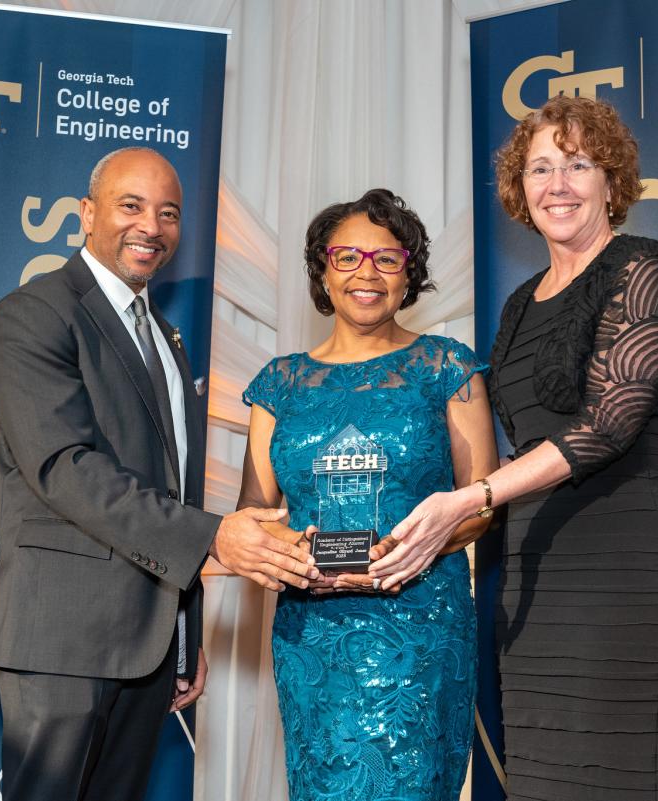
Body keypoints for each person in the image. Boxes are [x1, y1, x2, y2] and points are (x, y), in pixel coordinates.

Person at [371, 96, 658, 800]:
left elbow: (610, 420)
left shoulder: (641, 267)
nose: (558, 183)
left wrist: (476, 493)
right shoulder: (519, 302)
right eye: (540, 167)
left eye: (578, 165)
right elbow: (507, 437)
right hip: (531, 579)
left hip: (623, 574)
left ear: (611, 181)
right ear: (520, 190)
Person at [0, 146, 319, 801]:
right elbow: (66, 470)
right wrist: (218, 538)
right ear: (86, 214)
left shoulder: (164, 335)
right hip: (61, 640)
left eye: (168, 213)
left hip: (146, 648)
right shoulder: (33, 315)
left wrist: (182, 636)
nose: (151, 227)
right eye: (131, 206)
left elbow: (168, 490)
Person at [238, 188, 500, 801]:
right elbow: (255, 517)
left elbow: (482, 501)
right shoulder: (278, 385)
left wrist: (402, 553)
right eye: (348, 256)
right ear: (321, 270)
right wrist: (309, 558)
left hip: (420, 627)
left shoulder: (446, 367)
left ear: (409, 274)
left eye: (387, 259)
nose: (366, 273)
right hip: (313, 635)